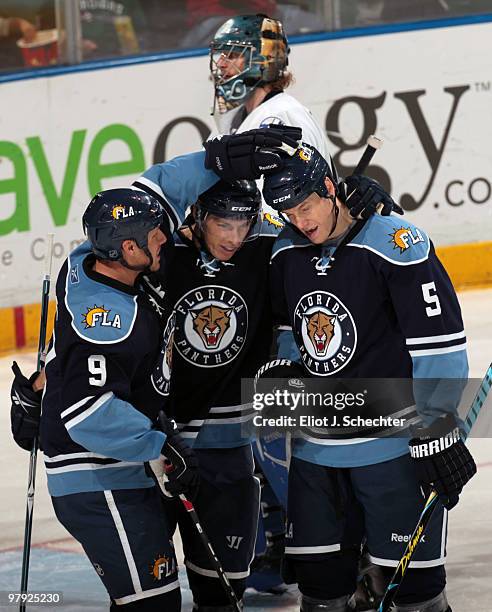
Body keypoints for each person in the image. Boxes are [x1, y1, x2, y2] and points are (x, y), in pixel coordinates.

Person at [255, 143, 477, 611]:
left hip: (391, 448)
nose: (300, 220)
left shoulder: (395, 244)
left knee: (417, 595)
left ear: (330, 188)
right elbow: (288, 325)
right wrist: (287, 363)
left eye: (306, 205)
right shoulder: (286, 253)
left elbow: (438, 343)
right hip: (316, 455)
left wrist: (437, 425)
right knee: (319, 593)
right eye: (287, 212)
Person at [209, 13, 329, 160]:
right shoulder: (233, 118)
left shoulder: (285, 117)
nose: (221, 64)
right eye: (222, 54)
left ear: (263, 61)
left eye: (232, 55)